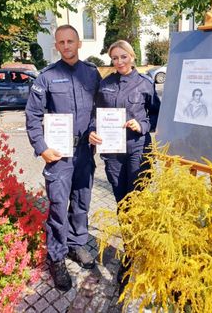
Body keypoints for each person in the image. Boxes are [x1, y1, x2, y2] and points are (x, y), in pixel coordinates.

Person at [25, 25, 101, 291]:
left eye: (71, 41)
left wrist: (94, 130)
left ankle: (77, 245)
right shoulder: (46, 77)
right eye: (61, 42)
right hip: (58, 156)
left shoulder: (91, 73)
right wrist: (42, 148)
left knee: (81, 202)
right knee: (58, 207)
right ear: (56, 46)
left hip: (84, 154)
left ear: (79, 44)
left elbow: (97, 110)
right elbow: (33, 117)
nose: (66, 45)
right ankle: (56, 257)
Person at [89, 40, 160, 289]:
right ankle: (130, 252)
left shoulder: (145, 84)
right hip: (113, 154)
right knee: (122, 204)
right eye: (114, 58)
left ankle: (142, 251)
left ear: (132, 56)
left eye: (123, 57)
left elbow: (156, 116)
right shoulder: (105, 84)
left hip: (138, 151)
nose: (119, 62)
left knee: (138, 203)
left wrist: (142, 125)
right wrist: (92, 132)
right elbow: (94, 116)